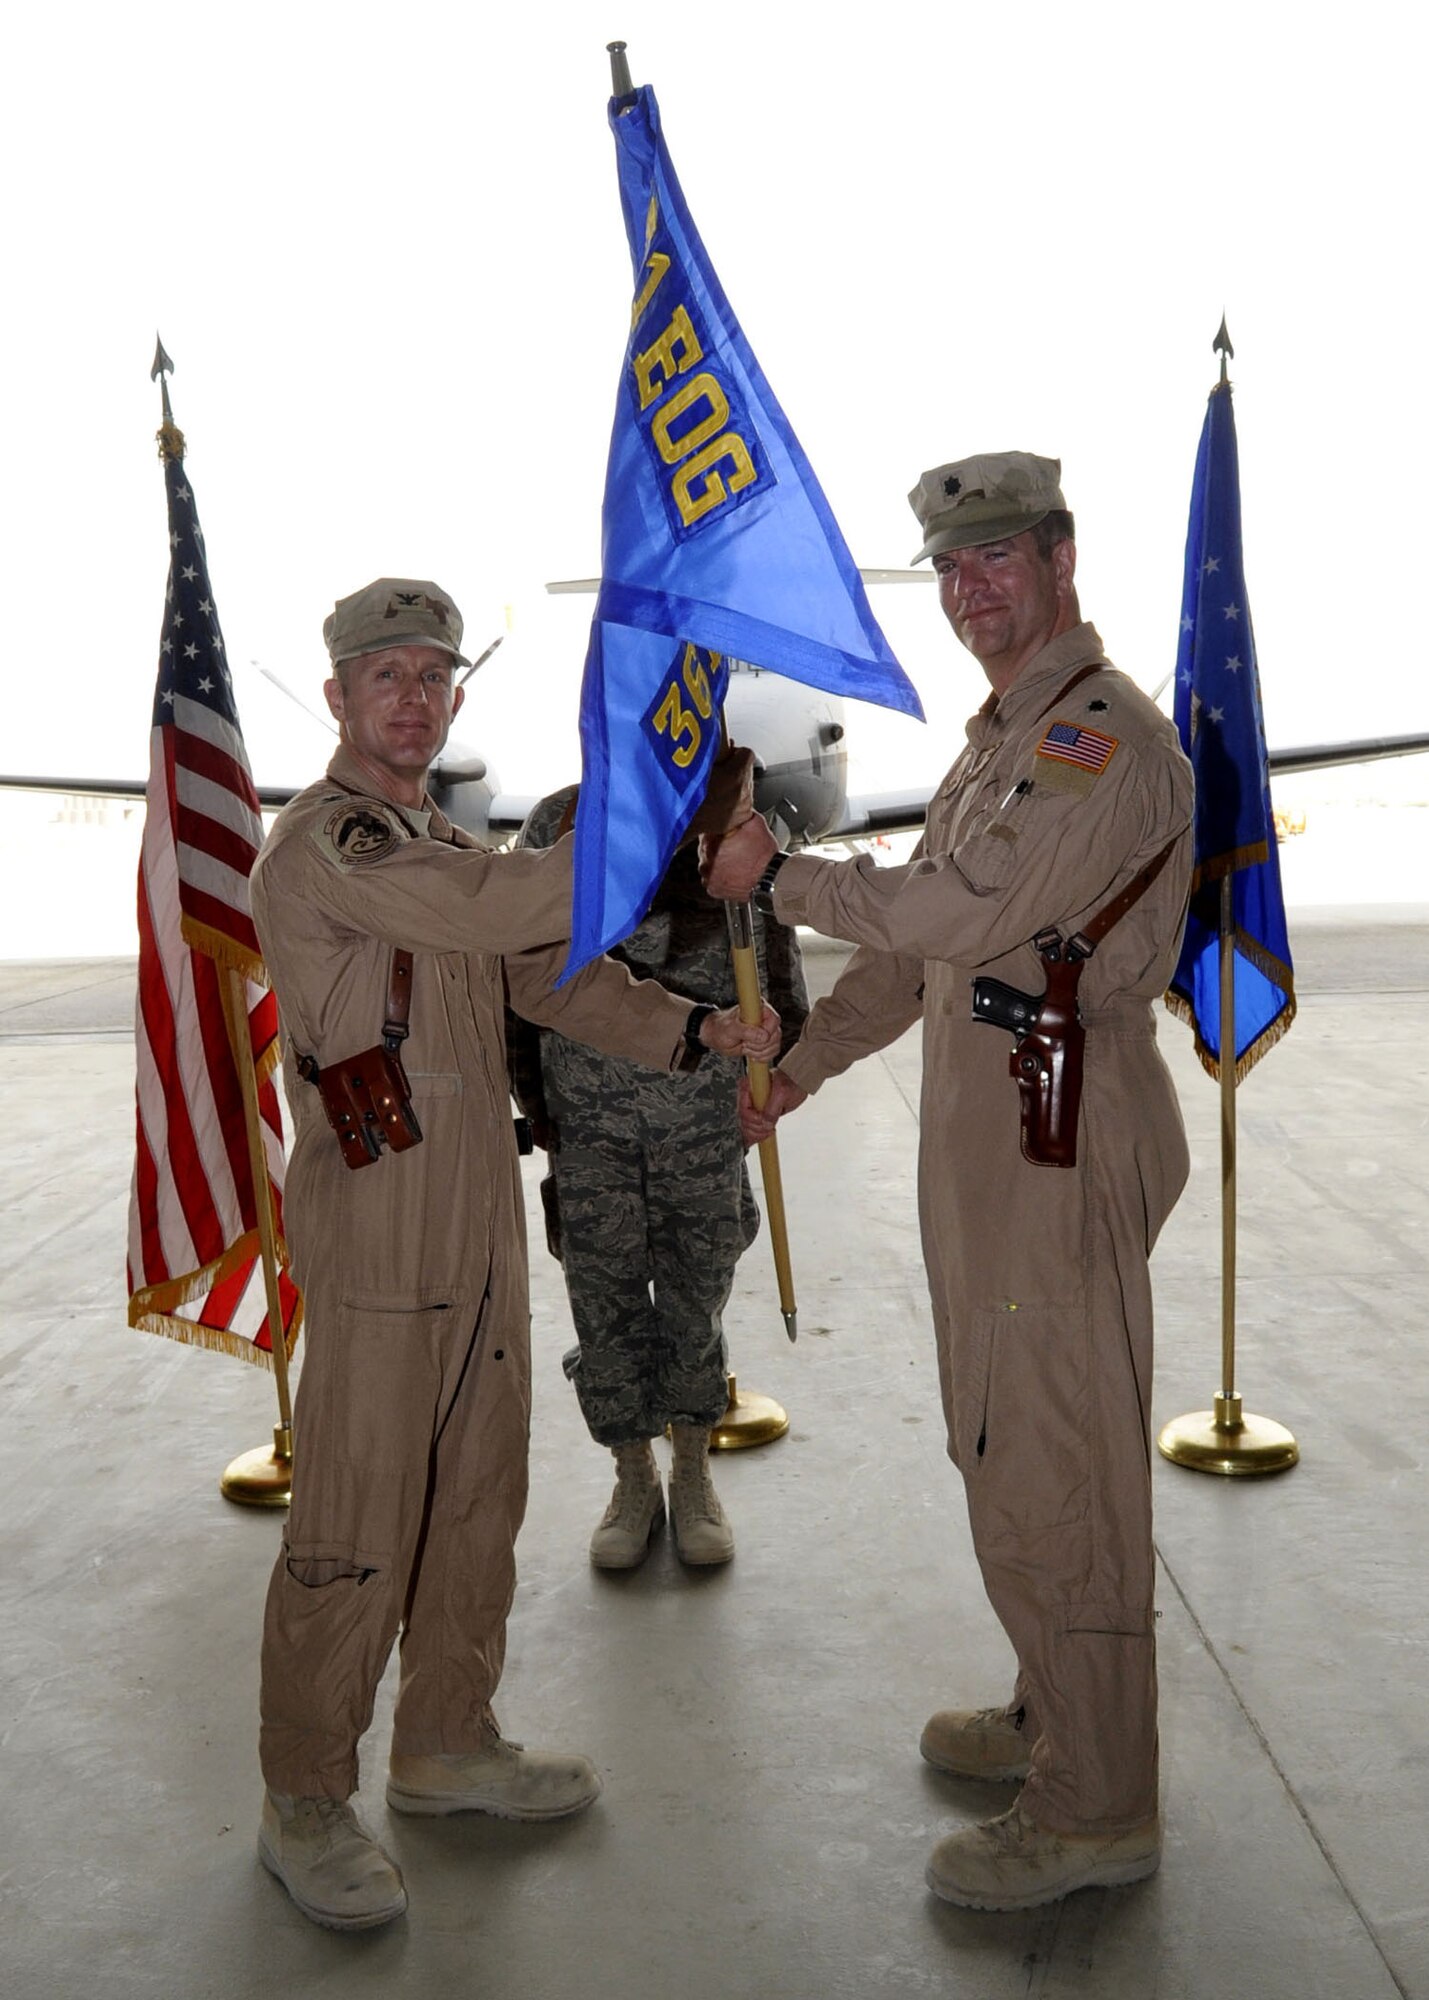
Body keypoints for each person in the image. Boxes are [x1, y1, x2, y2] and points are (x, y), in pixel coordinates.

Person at [702, 455, 1193, 1911]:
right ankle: (1062, 1707)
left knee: (1061, 1461)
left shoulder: (1101, 745)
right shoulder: (1003, 743)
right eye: (951, 568)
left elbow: (949, 907)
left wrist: (773, 875)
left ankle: (1098, 1807)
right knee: (1005, 1439)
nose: (972, 589)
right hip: (993, 1131)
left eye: (997, 559)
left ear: (1060, 559)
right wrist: (798, 1064)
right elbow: (922, 960)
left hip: (1059, 1132)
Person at [248, 577, 776, 1931]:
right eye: (388, 678)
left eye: (434, 676)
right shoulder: (335, 842)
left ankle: (444, 1743)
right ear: (339, 699)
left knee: (478, 1486)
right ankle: (306, 1797)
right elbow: (500, 911)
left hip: (478, 1197)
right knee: (360, 1510)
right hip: (381, 1218)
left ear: (456, 698)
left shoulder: (435, 838)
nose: (414, 698)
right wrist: (664, 822)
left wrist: (686, 1030)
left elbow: (541, 972)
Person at [509, 786, 808, 1569]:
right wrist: (534, 1104)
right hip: (589, 1118)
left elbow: (777, 962)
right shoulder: (558, 821)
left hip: (700, 1118)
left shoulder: (737, 822)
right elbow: (517, 978)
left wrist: (783, 1057)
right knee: (601, 1297)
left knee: (694, 1293)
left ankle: (691, 1465)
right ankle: (632, 1473)